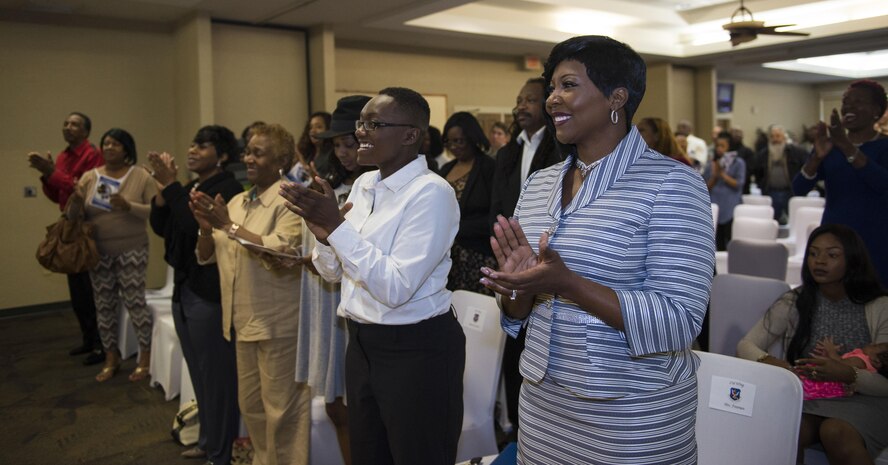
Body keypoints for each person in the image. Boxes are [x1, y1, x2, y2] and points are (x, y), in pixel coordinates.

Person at [479, 36, 715, 464]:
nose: (552, 99)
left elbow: (680, 321)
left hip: (629, 414)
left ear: (616, 97)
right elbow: (519, 313)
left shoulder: (672, 184)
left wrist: (567, 282)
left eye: (568, 85)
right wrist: (516, 290)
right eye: (551, 87)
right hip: (543, 405)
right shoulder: (540, 184)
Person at [279, 87, 465, 465]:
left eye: (374, 124)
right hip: (362, 343)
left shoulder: (431, 193)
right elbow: (331, 273)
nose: (360, 132)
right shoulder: (365, 185)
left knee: (417, 455)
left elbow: (395, 287)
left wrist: (337, 228)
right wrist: (326, 237)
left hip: (416, 348)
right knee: (369, 454)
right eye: (361, 123)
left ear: (410, 135)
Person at [191, 123, 310, 465]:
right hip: (243, 321)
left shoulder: (290, 199)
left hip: (279, 323)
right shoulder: (238, 201)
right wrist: (205, 227)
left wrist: (227, 225)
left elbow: (283, 253)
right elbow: (208, 254)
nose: (249, 159)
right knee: (253, 408)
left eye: (258, 153)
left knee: (283, 412)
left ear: (281, 160)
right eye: (247, 152)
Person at [737, 224, 888, 464]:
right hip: (811, 395)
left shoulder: (879, 306)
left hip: (866, 400)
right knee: (784, 429)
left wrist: (849, 374)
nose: (819, 261)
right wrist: (773, 363)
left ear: (853, 260)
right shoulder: (796, 299)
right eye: (814, 253)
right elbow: (746, 345)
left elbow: (884, 385)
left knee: (836, 432)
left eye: (832, 255)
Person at [147, 125, 244, 464]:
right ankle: (207, 440)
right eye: (192, 144)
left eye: (203, 146)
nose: (193, 150)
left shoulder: (228, 187)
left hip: (209, 292)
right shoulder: (192, 186)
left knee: (216, 377)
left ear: (223, 156)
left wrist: (173, 186)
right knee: (199, 372)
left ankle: (221, 452)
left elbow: (194, 228)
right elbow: (164, 227)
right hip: (184, 288)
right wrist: (164, 189)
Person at [293, 95, 374, 465]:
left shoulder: (376, 189)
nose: (342, 152)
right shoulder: (333, 185)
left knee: (352, 407)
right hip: (323, 293)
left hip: (354, 299)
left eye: (349, 144)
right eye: (336, 145)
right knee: (334, 405)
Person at [488, 76, 563, 439]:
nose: (521, 106)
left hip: (549, 257)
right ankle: (519, 432)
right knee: (513, 350)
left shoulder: (562, 146)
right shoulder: (507, 152)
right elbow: (498, 207)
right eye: (518, 100)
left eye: (529, 100)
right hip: (513, 259)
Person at [69, 128, 156, 382]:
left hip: (132, 248)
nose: (109, 147)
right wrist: (75, 200)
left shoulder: (140, 175)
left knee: (134, 302)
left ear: (127, 149)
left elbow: (154, 212)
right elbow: (74, 217)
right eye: (106, 143)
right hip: (98, 252)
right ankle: (111, 357)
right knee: (104, 305)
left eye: (116, 144)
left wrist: (128, 206)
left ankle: (146, 357)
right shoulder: (90, 177)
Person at [27, 112, 106, 366]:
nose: (68, 127)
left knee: (91, 288)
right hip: (69, 223)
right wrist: (46, 175)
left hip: (87, 224)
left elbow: (82, 189)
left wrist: (52, 172)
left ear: (86, 131)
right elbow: (57, 194)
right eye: (65, 123)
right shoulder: (63, 156)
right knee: (77, 290)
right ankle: (87, 338)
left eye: (74, 124)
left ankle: (101, 344)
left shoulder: (93, 155)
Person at [794, 79, 888, 287]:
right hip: (833, 241)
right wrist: (817, 157)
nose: (849, 106)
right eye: (846, 101)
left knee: (873, 308)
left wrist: (845, 145)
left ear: (877, 111)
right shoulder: (830, 147)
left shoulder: (884, 147)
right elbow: (799, 188)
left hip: (874, 240)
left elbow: (881, 183)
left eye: (858, 101)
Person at [439, 111, 497, 294]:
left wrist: (456, 227)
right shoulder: (446, 169)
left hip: (478, 254)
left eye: (459, 141)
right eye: (450, 142)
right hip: (448, 255)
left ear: (472, 138)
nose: (454, 147)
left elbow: (496, 214)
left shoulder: (489, 167)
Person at [802, 337, 888, 400]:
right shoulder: (862, 358)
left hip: (831, 383)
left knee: (806, 383)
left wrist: (831, 351)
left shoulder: (861, 361)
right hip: (831, 381)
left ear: (877, 362)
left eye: (875, 346)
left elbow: (839, 365)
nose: (871, 344)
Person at [705, 131, 746, 251]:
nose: (719, 149)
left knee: (730, 239)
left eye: (722, 146)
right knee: (717, 241)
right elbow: (706, 186)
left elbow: (738, 184)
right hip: (715, 205)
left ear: (730, 147)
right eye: (717, 145)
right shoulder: (712, 163)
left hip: (731, 206)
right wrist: (715, 175)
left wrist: (722, 174)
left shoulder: (738, 163)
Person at [757, 125, 808, 222]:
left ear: (784, 137)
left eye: (778, 136)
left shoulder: (797, 152)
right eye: (772, 136)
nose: (775, 139)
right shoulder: (762, 154)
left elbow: (805, 169)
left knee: (795, 220)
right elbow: (758, 173)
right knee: (771, 221)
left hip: (791, 192)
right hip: (770, 192)